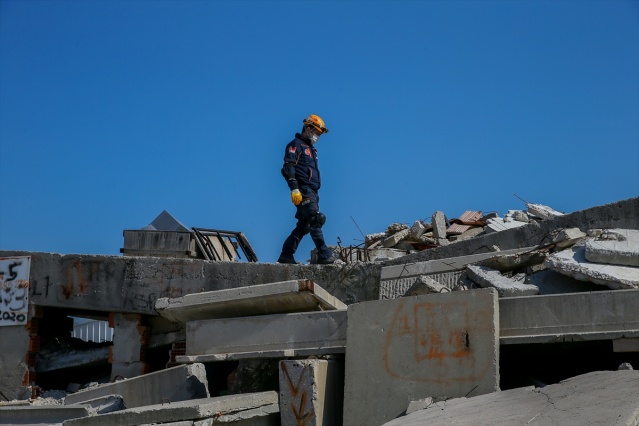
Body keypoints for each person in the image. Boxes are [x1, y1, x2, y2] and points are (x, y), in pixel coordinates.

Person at [277, 114, 336, 265]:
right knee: (316, 219)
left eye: (320, 134)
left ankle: (286, 254)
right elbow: (288, 167)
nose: (318, 136)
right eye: (316, 132)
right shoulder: (295, 145)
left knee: (304, 226)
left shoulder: (311, 149)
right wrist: (294, 188)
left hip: (313, 191)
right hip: (303, 190)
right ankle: (324, 254)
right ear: (308, 129)